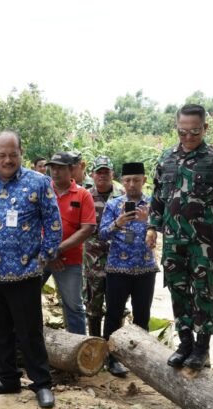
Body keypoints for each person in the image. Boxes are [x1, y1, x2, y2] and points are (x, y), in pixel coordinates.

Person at [0, 131, 61, 409]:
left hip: (25, 274)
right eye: (2, 155)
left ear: (21, 153)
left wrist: (44, 256)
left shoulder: (39, 183)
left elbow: (54, 224)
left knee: (29, 332)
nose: (7, 160)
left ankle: (41, 383)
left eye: (13, 155)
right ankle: (7, 378)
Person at [150, 104, 213, 371]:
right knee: (177, 291)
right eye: (183, 132)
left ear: (205, 128)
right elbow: (157, 198)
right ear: (176, 127)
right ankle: (185, 342)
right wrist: (151, 228)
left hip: (203, 242)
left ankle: (202, 348)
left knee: (203, 292)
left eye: (195, 132)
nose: (188, 137)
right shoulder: (166, 159)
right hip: (173, 241)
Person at [98, 163, 158, 376]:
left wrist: (148, 222)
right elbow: (102, 234)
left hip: (145, 269)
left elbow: (166, 228)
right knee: (113, 315)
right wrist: (118, 222)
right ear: (122, 182)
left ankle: (141, 360)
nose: (131, 184)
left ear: (144, 180)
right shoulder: (114, 205)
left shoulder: (152, 204)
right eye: (127, 180)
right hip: (117, 269)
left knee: (142, 316)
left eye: (136, 180)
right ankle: (112, 358)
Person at [44, 151, 96, 335]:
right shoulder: (43, 191)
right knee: (26, 299)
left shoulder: (83, 195)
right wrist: (48, 254)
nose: (55, 172)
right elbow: (30, 224)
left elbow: (87, 228)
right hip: (39, 258)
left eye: (60, 168)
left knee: (73, 305)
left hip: (69, 260)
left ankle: (78, 349)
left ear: (71, 169)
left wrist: (58, 250)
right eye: (53, 168)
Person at [83, 155, 122, 338]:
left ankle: (114, 346)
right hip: (93, 259)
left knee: (117, 304)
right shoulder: (86, 195)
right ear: (92, 174)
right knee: (93, 304)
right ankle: (95, 343)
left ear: (112, 173)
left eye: (106, 172)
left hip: (118, 257)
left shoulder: (122, 195)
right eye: (99, 172)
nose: (103, 176)